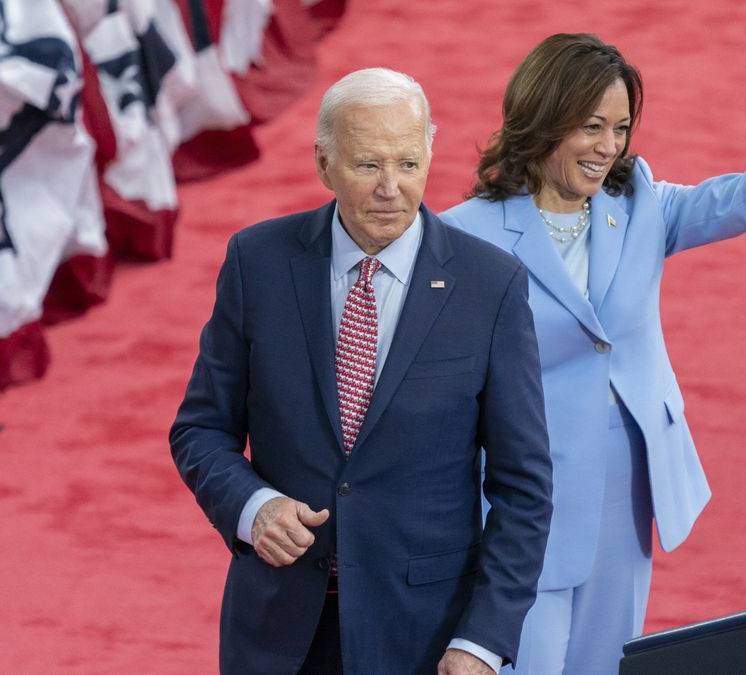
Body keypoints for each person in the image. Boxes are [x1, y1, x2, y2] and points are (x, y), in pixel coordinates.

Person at [440, 33, 746, 674]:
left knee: (605, 662)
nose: (608, 147)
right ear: (542, 118)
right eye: (591, 127)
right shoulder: (464, 235)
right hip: (527, 493)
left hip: (628, 481)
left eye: (620, 129)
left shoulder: (639, 204)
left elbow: (742, 198)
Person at [170, 68, 552, 675]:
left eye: (408, 163)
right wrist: (253, 506)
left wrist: (484, 638)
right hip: (278, 632)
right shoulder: (256, 262)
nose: (391, 188)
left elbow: (523, 488)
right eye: (368, 164)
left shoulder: (491, 285)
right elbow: (200, 429)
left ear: (430, 155)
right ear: (324, 164)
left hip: (423, 638)